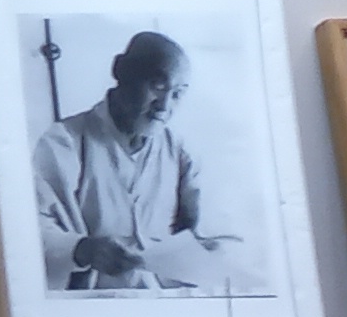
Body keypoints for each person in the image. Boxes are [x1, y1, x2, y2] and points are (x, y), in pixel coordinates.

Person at [32, 29, 241, 292]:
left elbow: (212, 234)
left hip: (166, 302)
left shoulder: (180, 151)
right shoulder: (63, 142)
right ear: (120, 70)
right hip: (90, 304)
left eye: (177, 94)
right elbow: (30, 231)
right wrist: (83, 249)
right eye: (157, 86)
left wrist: (207, 249)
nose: (164, 106)